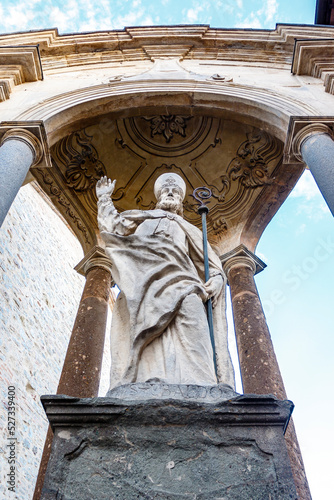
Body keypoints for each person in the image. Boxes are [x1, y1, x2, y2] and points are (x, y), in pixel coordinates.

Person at [96, 173, 235, 390]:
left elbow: (211, 265)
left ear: (181, 202)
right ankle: (148, 380)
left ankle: (203, 384)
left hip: (183, 282)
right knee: (148, 330)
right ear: (158, 197)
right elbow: (112, 227)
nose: (170, 193)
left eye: (176, 192)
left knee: (193, 317)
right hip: (143, 284)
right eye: (166, 190)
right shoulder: (141, 218)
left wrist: (217, 280)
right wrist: (104, 199)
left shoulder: (189, 229)